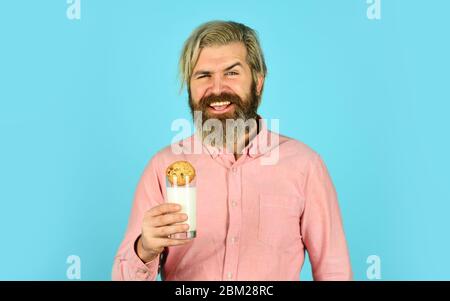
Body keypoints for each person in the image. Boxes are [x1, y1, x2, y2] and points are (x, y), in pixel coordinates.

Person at [112, 20, 352, 281]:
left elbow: (334, 271)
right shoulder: (163, 168)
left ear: (258, 82)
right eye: (203, 75)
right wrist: (145, 248)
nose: (217, 89)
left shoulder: (305, 167)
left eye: (232, 73)